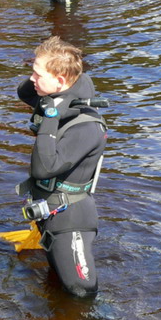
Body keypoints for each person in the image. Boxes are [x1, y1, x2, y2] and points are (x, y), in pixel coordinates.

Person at [15, 36, 107, 297]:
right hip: (48, 214)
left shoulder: (86, 126)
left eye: (37, 74)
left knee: (81, 293)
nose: (32, 78)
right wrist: (53, 70)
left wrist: (50, 118)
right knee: (55, 287)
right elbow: (24, 92)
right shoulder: (54, 97)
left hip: (71, 222)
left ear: (59, 80)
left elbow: (43, 169)